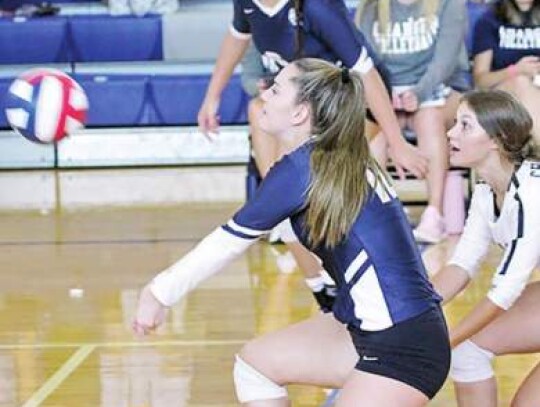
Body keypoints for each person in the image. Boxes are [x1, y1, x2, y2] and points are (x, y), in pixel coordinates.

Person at [135, 58, 450, 406]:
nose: (265, 93)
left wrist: (158, 294)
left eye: (277, 88)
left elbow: (227, 242)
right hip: (373, 331)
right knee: (256, 366)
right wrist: (323, 294)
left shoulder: (304, 168)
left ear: (300, 114)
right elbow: (312, 239)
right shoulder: (334, 156)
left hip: (404, 348)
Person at [198, 0, 428, 180]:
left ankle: (301, 208)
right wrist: (212, 98)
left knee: (299, 157)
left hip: (350, 96)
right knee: (259, 110)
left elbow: (367, 74)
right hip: (304, 100)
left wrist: (397, 143)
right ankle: (279, 210)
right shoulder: (246, 3)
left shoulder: (318, 6)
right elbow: (237, 36)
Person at [430, 90, 540, 407]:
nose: (450, 132)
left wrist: (443, 342)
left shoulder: (530, 194)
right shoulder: (485, 190)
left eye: (465, 125)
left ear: (496, 139)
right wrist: (408, 310)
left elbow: (505, 291)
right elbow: (462, 264)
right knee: (467, 354)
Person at [355, 0, 471, 243]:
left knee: (429, 117)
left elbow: (445, 63)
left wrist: (418, 94)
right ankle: (374, 214)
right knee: (376, 135)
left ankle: (434, 214)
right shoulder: (370, 7)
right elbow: (365, 65)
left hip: (440, 90)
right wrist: (385, 101)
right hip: (387, 94)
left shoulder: (449, 4)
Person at [472, 0, 540, 143]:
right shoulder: (489, 19)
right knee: (521, 82)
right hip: (503, 92)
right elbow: (480, 81)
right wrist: (515, 70)